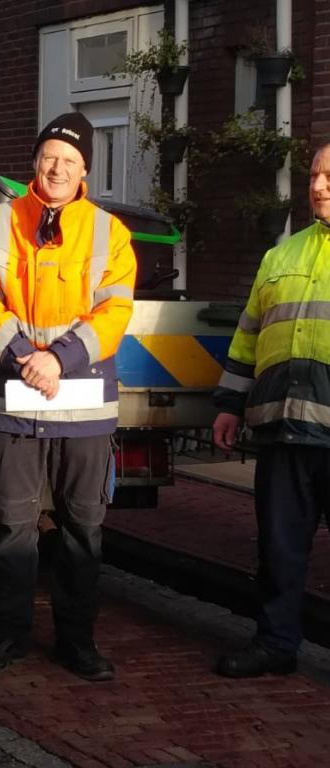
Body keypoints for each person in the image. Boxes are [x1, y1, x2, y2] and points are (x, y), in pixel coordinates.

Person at [0, 113, 136, 682]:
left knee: (82, 529)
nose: (58, 167)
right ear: (34, 163)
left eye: (70, 160)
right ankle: (6, 635)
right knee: (11, 525)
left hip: (81, 407)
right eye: (49, 157)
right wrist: (25, 359)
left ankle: (77, 642)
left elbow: (114, 312)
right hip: (13, 399)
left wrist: (59, 358)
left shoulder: (111, 232)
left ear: (85, 169)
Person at [212, 143, 330, 678]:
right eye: (314, 175)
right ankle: (276, 644)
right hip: (283, 428)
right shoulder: (280, 256)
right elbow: (248, 338)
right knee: (279, 550)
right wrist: (230, 404)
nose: (319, 185)